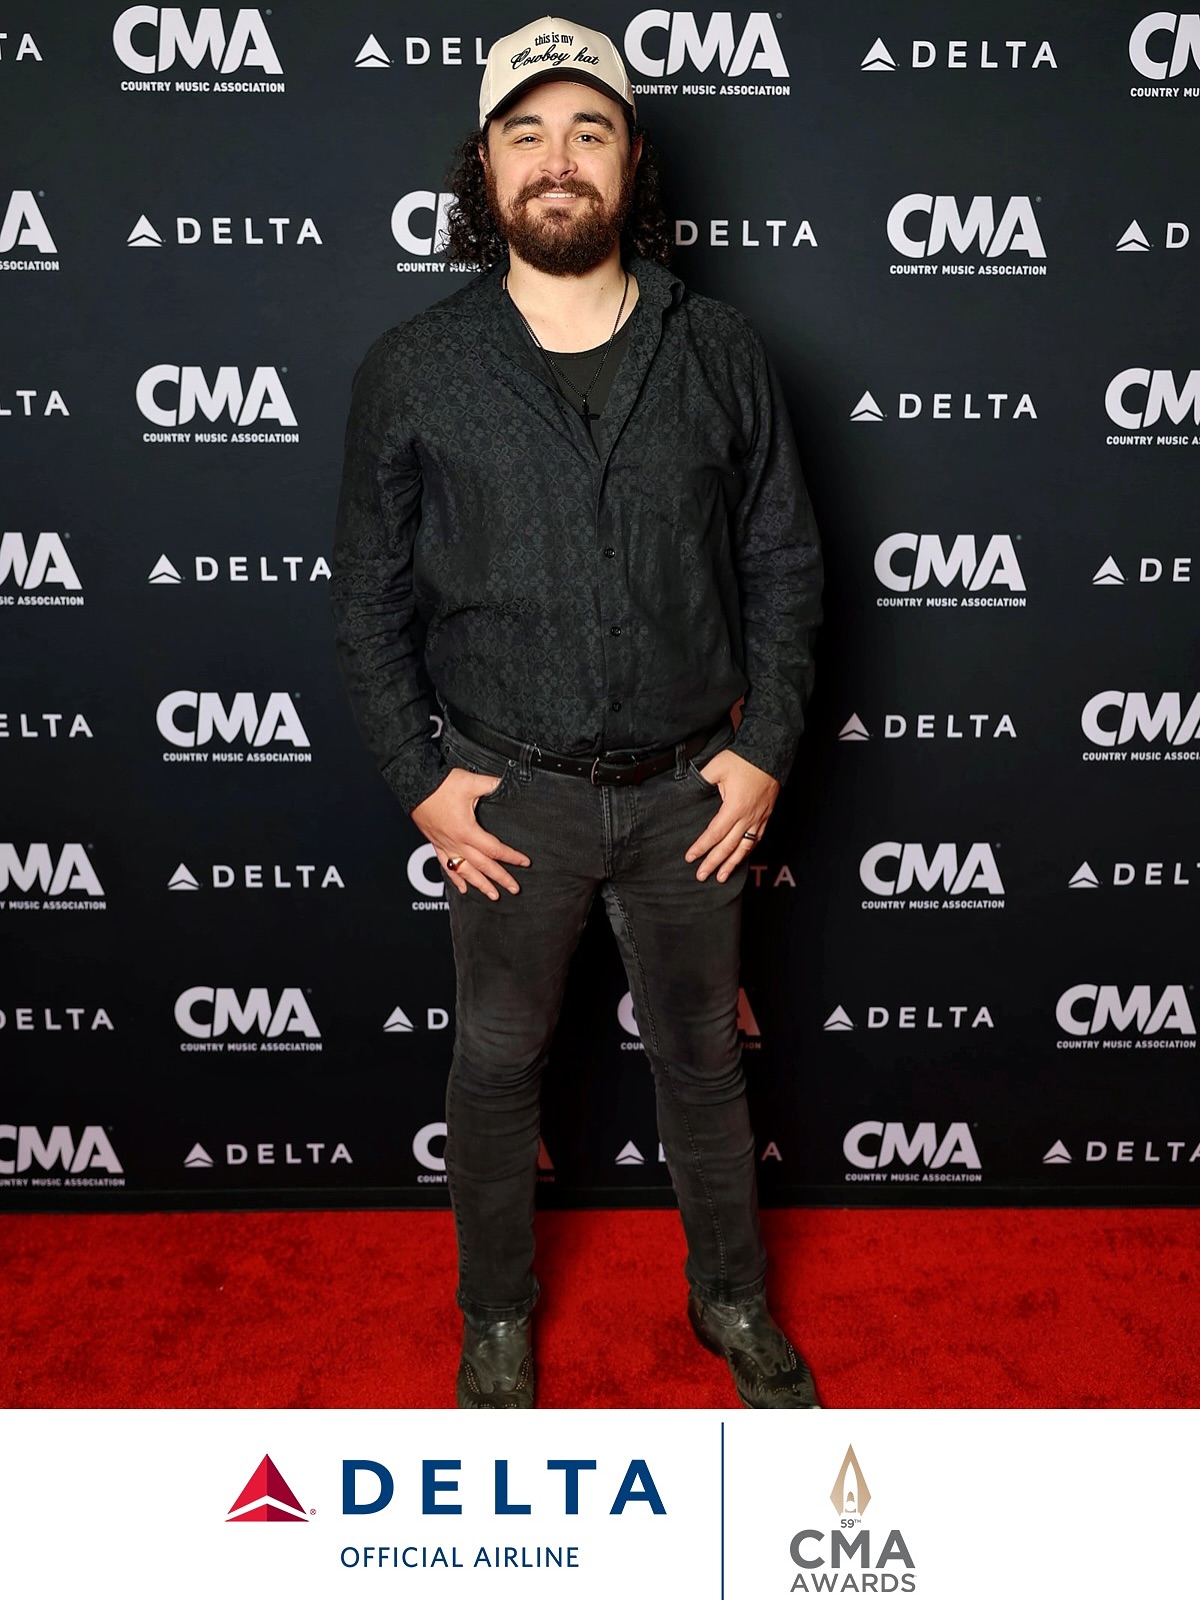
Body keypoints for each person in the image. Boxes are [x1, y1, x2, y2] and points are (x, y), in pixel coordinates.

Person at [331, 15, 823, 1409]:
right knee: (493, 1068)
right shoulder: (413, 366)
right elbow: (365, 597)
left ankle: (729, 1300)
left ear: (631, 163)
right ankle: (496, 1313)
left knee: (706, 1065)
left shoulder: (718, 346)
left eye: (586, 131)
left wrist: (763, 753)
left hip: (691, 796)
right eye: (525, 133)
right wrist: (425, 786)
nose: (557, 161)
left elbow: (786, 561)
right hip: (507, 795)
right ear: (484, 170)